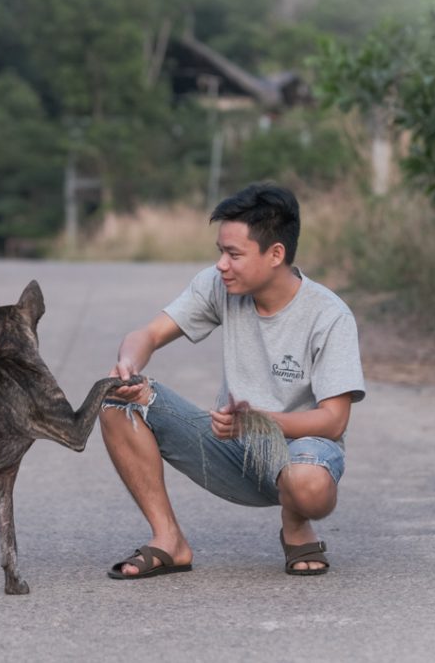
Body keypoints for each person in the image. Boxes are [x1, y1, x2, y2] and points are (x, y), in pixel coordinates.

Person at [100, 182, 365, 579]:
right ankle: (169, 539)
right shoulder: (219, 284)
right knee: (117, 400)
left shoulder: (329, 316)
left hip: (299, 456)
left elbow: (333, 421)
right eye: (220, 252)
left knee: (308, 484)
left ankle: (296, 527)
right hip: (230, 446)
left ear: (276, 254)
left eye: (234, 254)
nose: (222, 264)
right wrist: (127, 365)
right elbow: (149, 335)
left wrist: (258, 420)